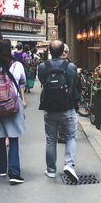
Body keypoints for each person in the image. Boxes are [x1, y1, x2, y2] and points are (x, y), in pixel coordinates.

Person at [38, 40, 79, 183]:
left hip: (49, 108)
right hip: (67, 107)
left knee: (51, 139)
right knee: (70, 136)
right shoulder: (71, 67)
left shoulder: (42, 67)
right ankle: (69, 165)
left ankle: (51, 170)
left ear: (49, 50)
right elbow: (73, 82)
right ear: (63, 51)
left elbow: (43, 82)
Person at [0, 39, 27, 185]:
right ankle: (14, 173)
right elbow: (22, 81)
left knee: (0, 135)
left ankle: (1, 169)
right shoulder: (17, 65)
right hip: (13, 104)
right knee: (13, 137)